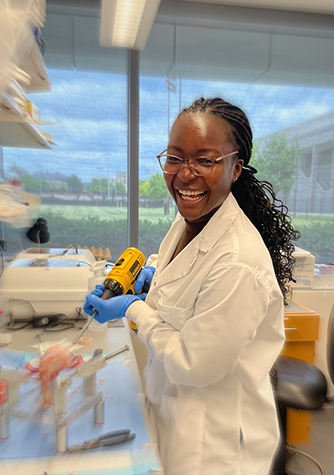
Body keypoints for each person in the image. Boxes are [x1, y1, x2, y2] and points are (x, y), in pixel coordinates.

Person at [84, 97, 300, 475]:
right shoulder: (190, 221)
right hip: (177, 414)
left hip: (215, 444)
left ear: (236, 168)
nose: (184, 175)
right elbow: (184, 279)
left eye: (205, 160)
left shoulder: (238, 263)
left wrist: (133, 309)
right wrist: (155, 278)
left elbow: (193, 364)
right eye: (174, 157)